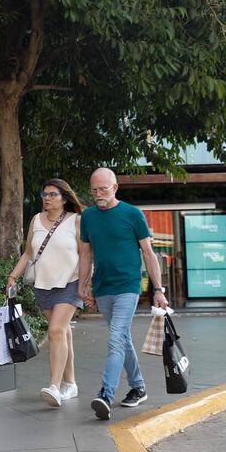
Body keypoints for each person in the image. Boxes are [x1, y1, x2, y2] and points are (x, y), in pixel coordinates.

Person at [78, 167, 169, 420]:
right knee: (123, 338)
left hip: (128, 287)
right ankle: (138, 387)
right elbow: (86, 254)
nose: (98, 194)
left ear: (115, 187)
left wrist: (158, 289)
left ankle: (106, 394)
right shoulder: (88, 218)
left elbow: (149, 255)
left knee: (116, 338)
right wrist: (82, 284)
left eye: (103, 189)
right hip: (103, 287)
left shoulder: (132, 214)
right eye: (94, 190)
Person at [7, 179, 89, 408]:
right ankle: (70, 383)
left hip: (70, 283)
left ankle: (54, 386)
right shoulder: (36, 220)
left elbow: (85, 254)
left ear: (64, 198)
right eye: (44, 194)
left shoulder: (76, 221)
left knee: (55, 330)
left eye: (52, 194)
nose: (47, 198)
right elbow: (28, 253)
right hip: (42, 285)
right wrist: (12, 276)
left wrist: (85, 283)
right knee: (62, 333)